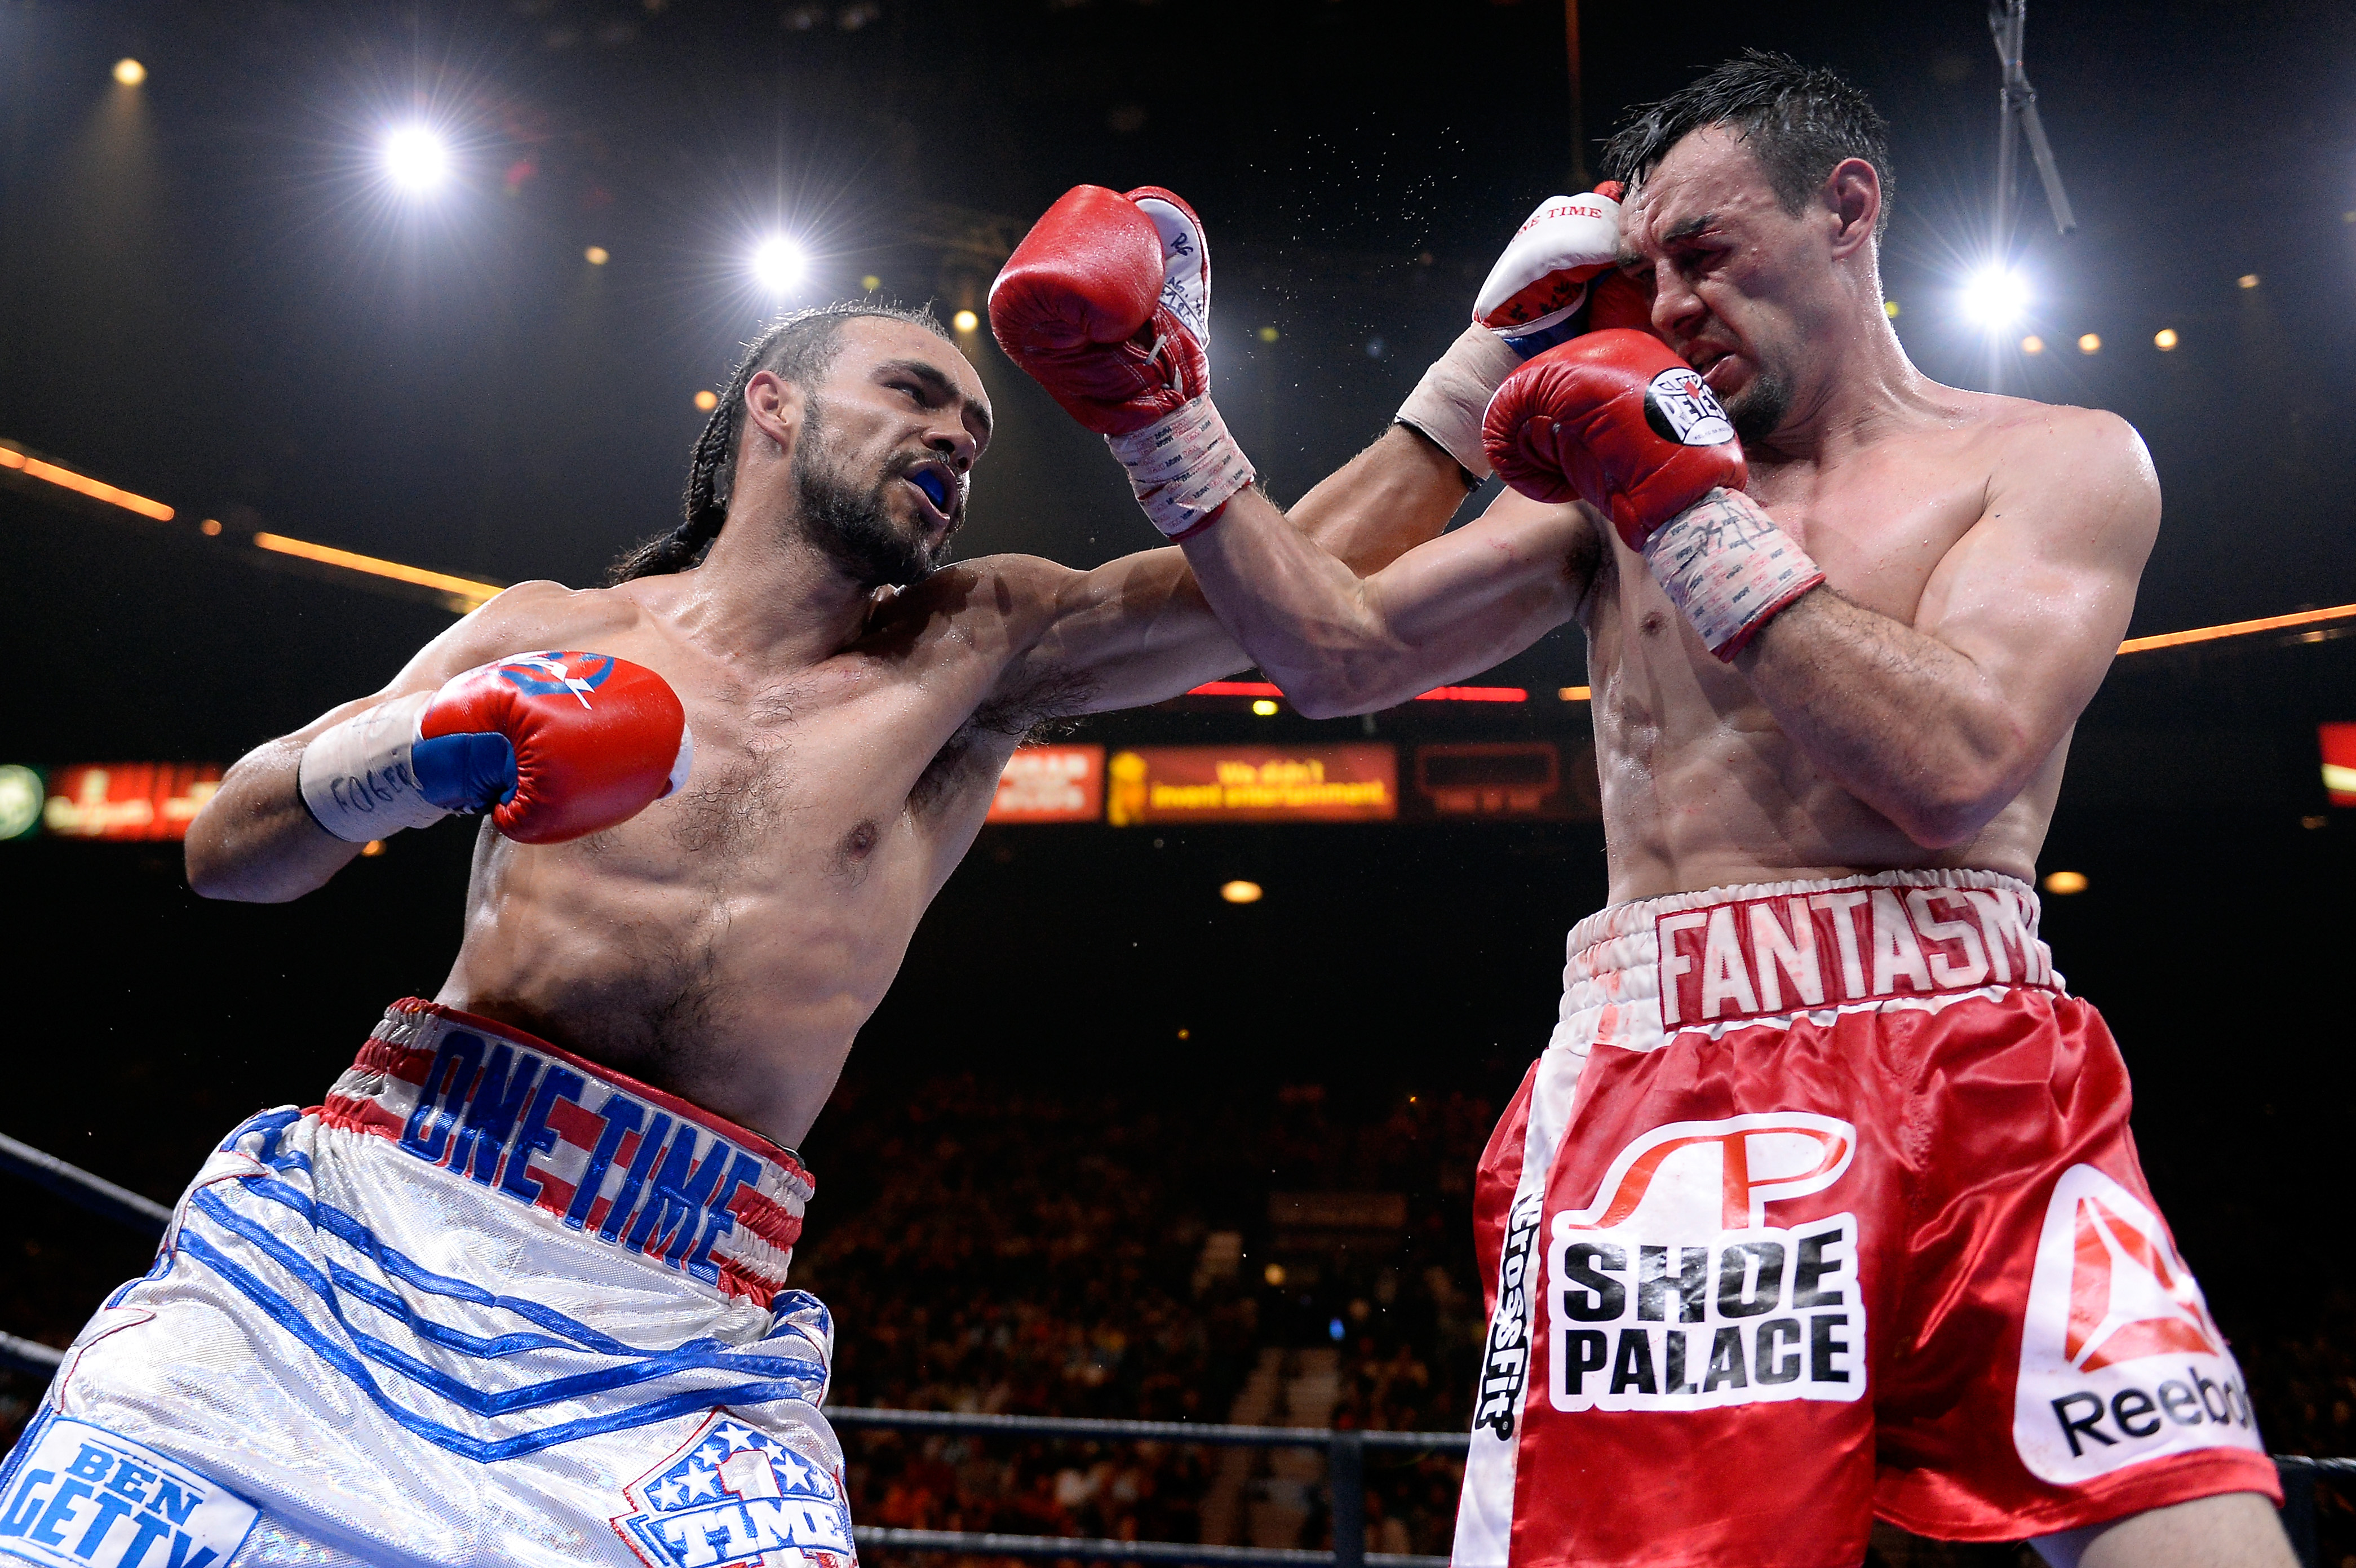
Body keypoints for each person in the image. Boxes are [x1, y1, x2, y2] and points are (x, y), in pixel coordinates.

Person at [993, 55, 2292, 1568]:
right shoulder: (1596, 490)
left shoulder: (2049, 458)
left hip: (1989, 1072)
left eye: (1705, 254)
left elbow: (1956, 759)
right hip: (1683, 1101)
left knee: (2203, 1537)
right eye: (1643, 269)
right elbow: (1329, 654)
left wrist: (1694, 515)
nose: (1667, 306)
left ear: (1847, 212)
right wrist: (1165, 426)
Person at [0, 289, 1448, 1567]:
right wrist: (419, 753)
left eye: (978, 429)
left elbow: (1291, 590)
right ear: (773, 403)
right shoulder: (550, 628)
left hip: (677, 1313)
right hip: (363, 1226)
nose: (957, 435)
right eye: (915, 392)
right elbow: (226, 850)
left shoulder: (974, 645)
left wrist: (1481, 362)